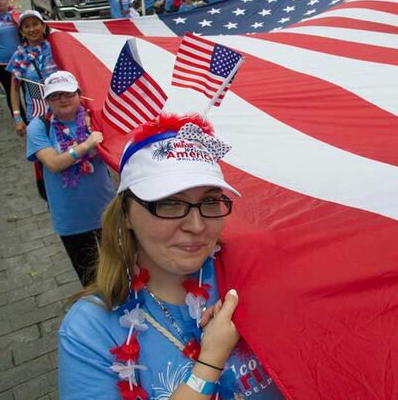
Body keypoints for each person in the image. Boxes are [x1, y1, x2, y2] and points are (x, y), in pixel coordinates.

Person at [58, 114, 283, 399]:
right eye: (169, 203)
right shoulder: (89, 330)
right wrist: (208, 365)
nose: (196, 226)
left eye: (210, 201)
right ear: (126, 213)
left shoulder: (249, 274)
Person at [27, 71, 113, 286]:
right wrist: (85, 146)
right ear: (47, 100)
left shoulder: (95, 118)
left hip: (107, 210)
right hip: (70, 218)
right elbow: (54, 164)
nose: (62, 99)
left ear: (79, 94)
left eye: (67, 93)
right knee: (90, 278)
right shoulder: (39, 127)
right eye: (55, 96)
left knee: (119, 267)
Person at [5, 10, 59, 135]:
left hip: (62, 109)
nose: (32, 29)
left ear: (43, 26)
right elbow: (14, 89)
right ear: (21, 31)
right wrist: (18, 117)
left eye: (35, 24)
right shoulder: (18, 57)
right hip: (36, 114)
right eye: (27, 26)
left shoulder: (56, 48)